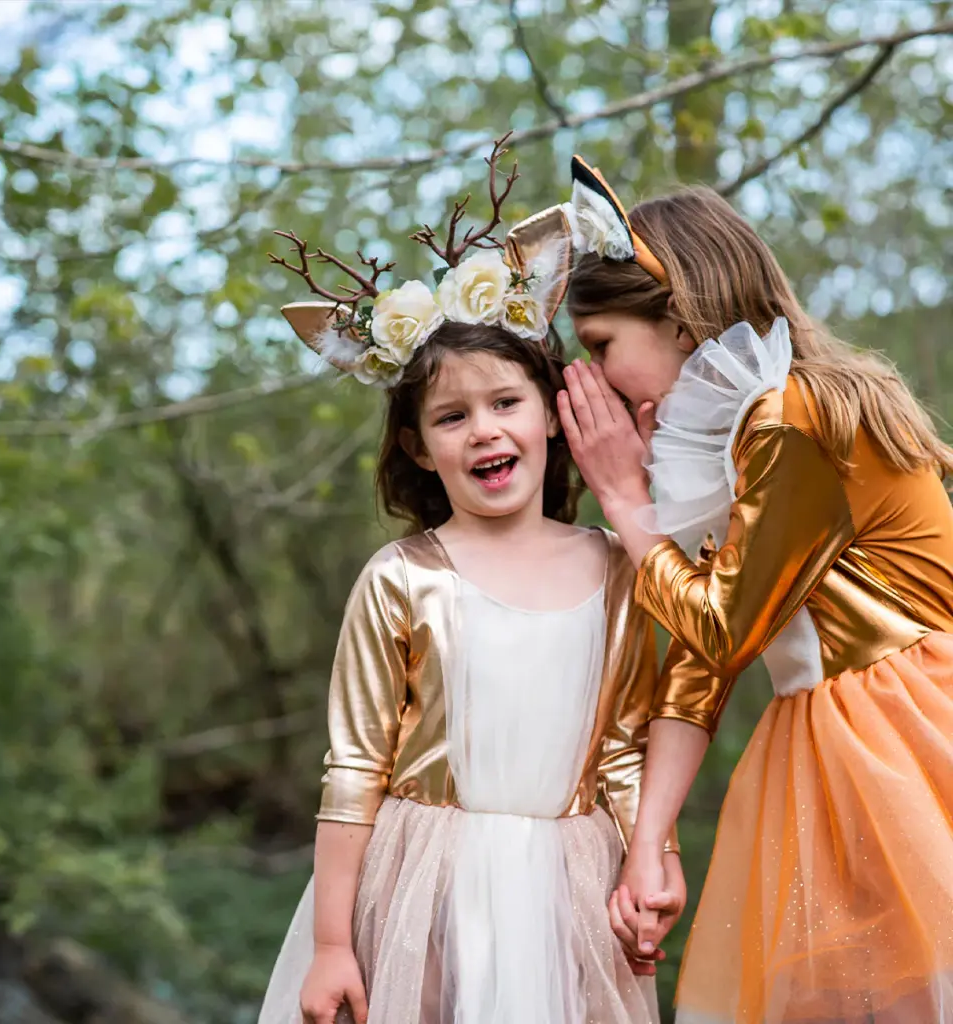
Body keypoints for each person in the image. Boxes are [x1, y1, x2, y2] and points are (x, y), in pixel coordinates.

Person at [257, 140, 681, 1024]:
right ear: (418, 445)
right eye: (452, 416)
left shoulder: (613, 567)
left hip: (571, 888)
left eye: (505, 403)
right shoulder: (402, 579)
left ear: (553, 412)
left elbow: (624, 750)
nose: (484, 431)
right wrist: (335, 943)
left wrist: (653, 858)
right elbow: (355, 768)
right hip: (424, 888)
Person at [557, 153, 953, 1024]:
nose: (595, 384)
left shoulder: (792, 415)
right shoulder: (732, 436)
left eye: (601, 349)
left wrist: (626, 502)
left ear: (680, 315)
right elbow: (703, 660)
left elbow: (726, 628)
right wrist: (649, 839)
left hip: (904, 731)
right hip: (830, 740)